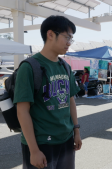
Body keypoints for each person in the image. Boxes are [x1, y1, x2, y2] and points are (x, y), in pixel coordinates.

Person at [14, 16, 82, 169]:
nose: (69, 42)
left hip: (66, 139)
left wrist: (76, 131)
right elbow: (22, 111)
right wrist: (34, 150)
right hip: (41, 143)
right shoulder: (29, 67)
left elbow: (71, 101)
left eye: (72, 38)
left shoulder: (65, 66)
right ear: (51, 34)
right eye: (67, 37)